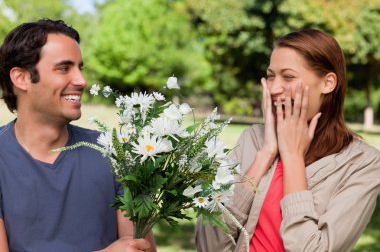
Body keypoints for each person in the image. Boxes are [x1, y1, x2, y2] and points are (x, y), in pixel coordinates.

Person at [195, 29, 380, 251]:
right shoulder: (252, 140)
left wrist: (293, 156)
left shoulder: (363, 164)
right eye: (271, 76)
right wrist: (265, 153)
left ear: (328, 83)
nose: (273, 88)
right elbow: (208, 244)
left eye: (289, 76)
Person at [0, 19, 156, 252]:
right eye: (64, 68)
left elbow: (141, 248)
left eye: (79, 68)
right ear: (21, 78)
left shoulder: (115, 154)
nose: (81, 81)